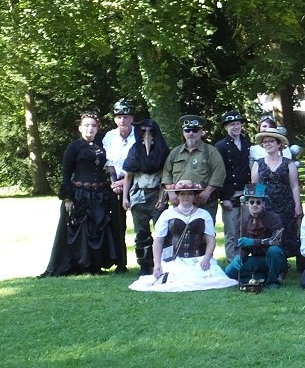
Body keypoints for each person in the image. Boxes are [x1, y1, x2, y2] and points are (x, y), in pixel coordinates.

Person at [40, 110, 120, 276]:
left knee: (98, 229)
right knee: (81, 230)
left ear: (98, 128)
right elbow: (66, 174)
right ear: (80, 128)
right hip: (80, 195)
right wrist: (68, 198)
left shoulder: (101, 146)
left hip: (99, 194)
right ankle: (80, 265)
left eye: (93, 126)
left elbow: (109, 167)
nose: (90, 129)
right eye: (86, 126)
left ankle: (95, 266)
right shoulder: (73, 147)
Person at [128, 180, 238, 292]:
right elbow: (158, 241)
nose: (186, 197)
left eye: (190, 194)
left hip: (198, 259)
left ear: (194, 196)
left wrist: (207, 257)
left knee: (207, 278)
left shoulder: (204, 215)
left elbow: (211, 240)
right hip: (175, 260)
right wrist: (157, 263)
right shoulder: (167, 214)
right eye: (182, 194)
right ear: (177, 195)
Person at [121, 118, 170, 275]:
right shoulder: (134, 150)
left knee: (163, 231)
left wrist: (163, 199)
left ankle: (165, 264)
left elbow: (167, 178)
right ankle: (144, 266)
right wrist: (125, 198)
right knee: (141, 233)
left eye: (150, 131)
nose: (147, 134)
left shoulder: (162, 150)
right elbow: (128, 176)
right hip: (138, 196)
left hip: (157, 193)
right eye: (143, 131)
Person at [160, 115, 225, 220]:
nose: (191, 133)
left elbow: (219, 173)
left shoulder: (211, 151)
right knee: (178, 231)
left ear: (201, 132)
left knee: (204, 233)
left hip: (203, 202)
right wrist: (171, 193)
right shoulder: (175, 152)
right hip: (179, 201)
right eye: (187, 130)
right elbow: (166, 173)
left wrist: (207, 192)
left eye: (195, 130)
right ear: (183, 133)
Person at [223, 182, 287, 290]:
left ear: (263, 204)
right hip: (256, 259)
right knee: (229, 272)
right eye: (251, 202)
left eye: (258, 202)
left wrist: (254, 242)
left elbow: (276, 241)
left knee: (274, 251)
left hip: (273, 258)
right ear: (247, 203)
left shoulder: (274, 218)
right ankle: (261, 277)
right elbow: (240, 245)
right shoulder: (241, 222)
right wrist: (240, 256)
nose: (255, 205)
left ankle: (272, 282)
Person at [252, 126, 302, 260]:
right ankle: (268, 263)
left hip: (286, 207)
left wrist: (298, 206)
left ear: (279, 144)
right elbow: (255, 188)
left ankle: (282, 264)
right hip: (266, 207)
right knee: (266, 234)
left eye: (271, 141)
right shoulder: (258, 164)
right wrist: (256, 207)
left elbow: (295, 186)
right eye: (265, 141)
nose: (267, 143)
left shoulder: (288, 164)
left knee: (285, 235)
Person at [102, 98, 136, 271]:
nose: (122, 120)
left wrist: (125, 181)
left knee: (141, 224)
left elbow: (142, 163)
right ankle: (121, 262)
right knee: (118, 225)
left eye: (126, 116)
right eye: (119, 116)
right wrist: (114, 183)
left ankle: (148, 262)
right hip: (115, 184)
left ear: (131, 118)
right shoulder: (109, 136)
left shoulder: (139, 135)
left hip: (136, 183)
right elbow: (108, 162)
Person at [215, 110, 251, 262]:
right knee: (231, 232)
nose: (236, 127)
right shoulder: (221, 146)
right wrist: (224, 197)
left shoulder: (247, 143)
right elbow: (219, 172)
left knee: (247, 229)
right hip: (230, 193)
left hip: (247, 193)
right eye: (232, 124)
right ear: (226, 127)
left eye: (238, 123)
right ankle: (232, 263)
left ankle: (244, 260)